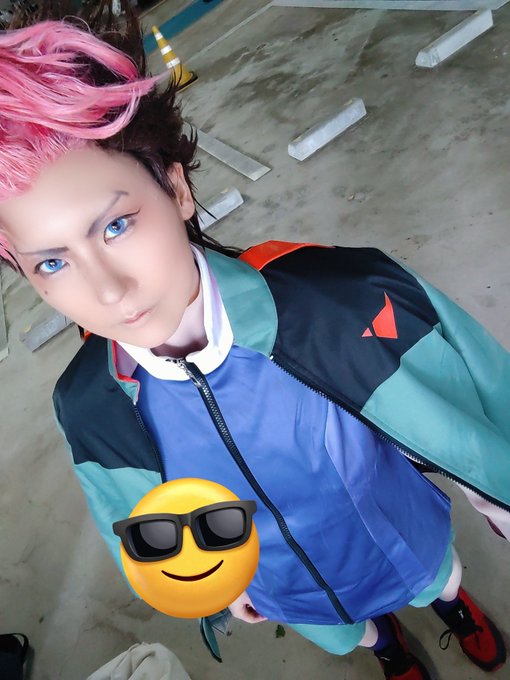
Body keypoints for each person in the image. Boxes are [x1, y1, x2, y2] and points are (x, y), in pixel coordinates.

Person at [1, 3, 509, 679]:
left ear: (176, 190)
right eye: (52, 263)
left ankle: (453, 606)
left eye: (116, 226)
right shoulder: (91, 404)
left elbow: (477, 400)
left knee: (434, 579)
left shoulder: (343, 300)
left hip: (396, 529)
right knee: (351, 634)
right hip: (283, 586)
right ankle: (388, 650)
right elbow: (133, 518)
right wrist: (214, 586)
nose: (109, 291)